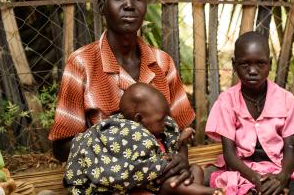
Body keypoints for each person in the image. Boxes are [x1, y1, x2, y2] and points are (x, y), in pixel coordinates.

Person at [48, 0, 195, 190]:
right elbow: (60, 147)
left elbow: (182, 128)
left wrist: (181, 158)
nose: (129, 5)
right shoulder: (82, 63)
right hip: (109, 182)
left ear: (145, 6)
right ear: (101, 7)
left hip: (162, 177)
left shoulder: (163, 62)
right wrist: (119, 153)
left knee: (196, 175)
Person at [64, 83, 223, 195]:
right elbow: (146, 172)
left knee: (195, 169)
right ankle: (212, 192)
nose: (165, 124)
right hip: (141, 190)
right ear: (139, 119)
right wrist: (167, 167)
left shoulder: (158, 132)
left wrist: (181, 143)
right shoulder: (128, 138)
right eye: (160, 120)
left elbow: (178, 164)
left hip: (167, 184)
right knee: (171, 183)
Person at [205, 31, 294, 195]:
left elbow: (290, 151)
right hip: (241, 169)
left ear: (270, 64)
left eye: (260, 64)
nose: (253, 70)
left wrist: (281, 178)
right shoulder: (227, 101)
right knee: (221, 183)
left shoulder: (286, 100)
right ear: (234, 65)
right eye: (245, 64)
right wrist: (256, 179)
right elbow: (229, 156)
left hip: (276, 169)